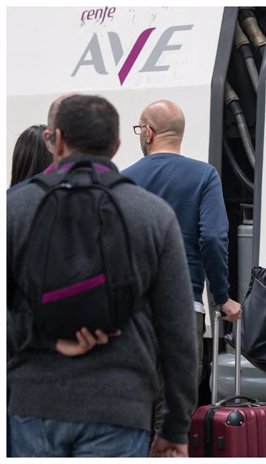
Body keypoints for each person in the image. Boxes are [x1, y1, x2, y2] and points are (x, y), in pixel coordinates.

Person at [7, 94, 197, 457]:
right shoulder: (153, 215)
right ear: (117, 146)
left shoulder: (14, 209)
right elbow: (178, 329)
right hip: (120, 406)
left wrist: (48, 340)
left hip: (34, 403)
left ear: (56, 140)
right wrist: (175, 425)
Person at [122, 100, 242, 390]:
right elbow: (213, 237)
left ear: (148, 133)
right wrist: (221, 296)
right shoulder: (204, 176)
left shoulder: (123, 180)